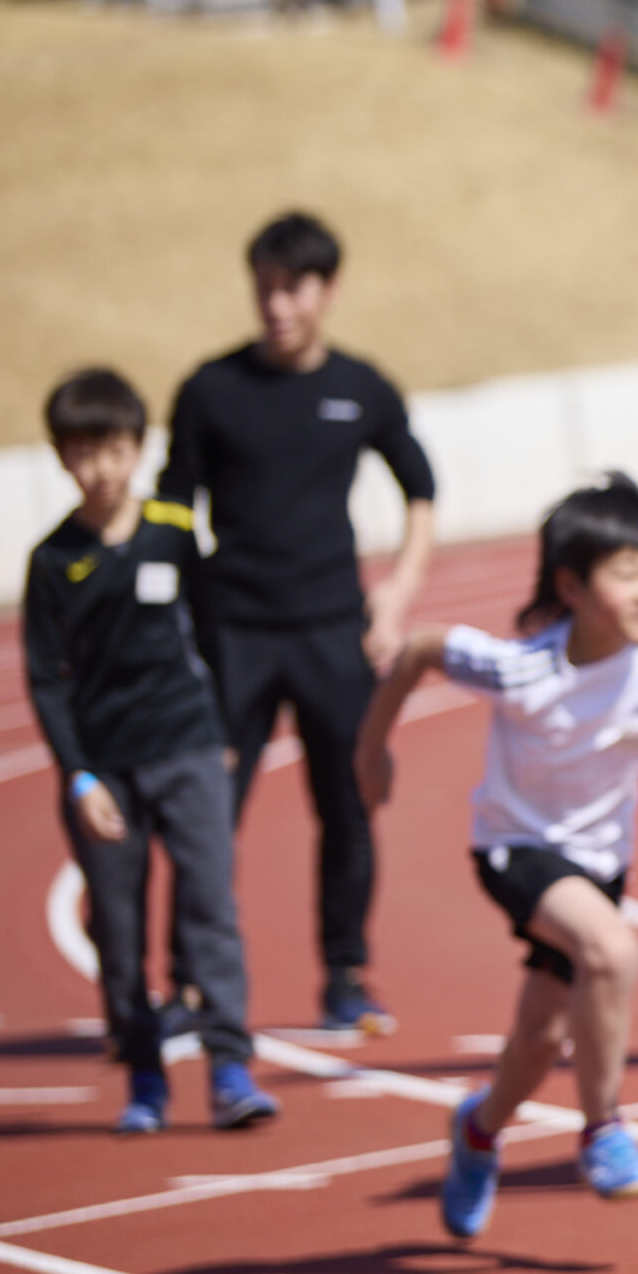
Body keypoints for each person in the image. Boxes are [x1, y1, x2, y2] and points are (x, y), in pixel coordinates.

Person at [353, 473, 638, 1239]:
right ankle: (604, 1130)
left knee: (540, 1037)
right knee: (610, 950)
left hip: (602, 862)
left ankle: (478, 1130)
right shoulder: (523, 668)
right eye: (625, 573)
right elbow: (417, 652)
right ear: (569, 586)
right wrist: (369, 752)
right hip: (517, 849)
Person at [156, 211, 437, 1035]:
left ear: (329, 290)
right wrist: (175, 616)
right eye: (265, 288)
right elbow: (174, 510)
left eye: (294, 289)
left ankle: (346, 974)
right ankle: (191, 986)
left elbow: (421, 487)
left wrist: (397, 595)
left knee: (348, 806)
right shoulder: (211, 390)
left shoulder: (363, 388)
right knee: (207, 813)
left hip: (333, 633)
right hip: (233, 633)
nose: (277, 306)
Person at [23, 369, 278, 1136]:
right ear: (62, 460)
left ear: (139, 449)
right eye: (82, 454)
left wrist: (229, 736)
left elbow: (215, 631)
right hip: (107, 769)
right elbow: (45, 681)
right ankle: (144, 1076)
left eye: (114, 450)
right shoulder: (52, 559)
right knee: (122, 931)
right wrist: (79, 777)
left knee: (209, 908)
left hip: (190, 748)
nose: (101, 470)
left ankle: (230, 1067)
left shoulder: (171, 529)